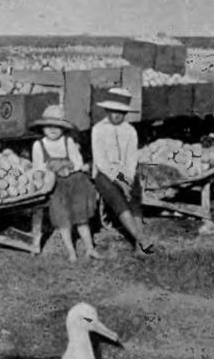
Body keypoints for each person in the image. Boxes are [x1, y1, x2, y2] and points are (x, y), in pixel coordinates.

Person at [30, 105, 101, 264]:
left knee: (81, 218)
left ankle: (90, 247)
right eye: (48, 126)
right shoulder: (38, 146)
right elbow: (38, 167)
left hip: (75, 183)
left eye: (57, 126)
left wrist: (65, 166)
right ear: (42, 128)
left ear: (63, 128)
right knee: (63, 221)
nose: (53, 129)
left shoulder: (68, 142)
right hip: (56, 186)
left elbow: (78, 163)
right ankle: (71, 252)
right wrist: (40, 177)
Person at [92, 88, 153, 255]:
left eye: (121, 112)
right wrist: (119, 181)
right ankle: (141, 240)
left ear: (125, 113)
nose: (116, 115)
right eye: (113, 111)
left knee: (133, 195)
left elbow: (131, 160)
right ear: (106, 110)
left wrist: (127, 180)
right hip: (104, 173)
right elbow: (102, 162)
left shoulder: (130, 131)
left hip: (125, 173)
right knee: (116, 195)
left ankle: (138, 245)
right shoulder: (98, 129)